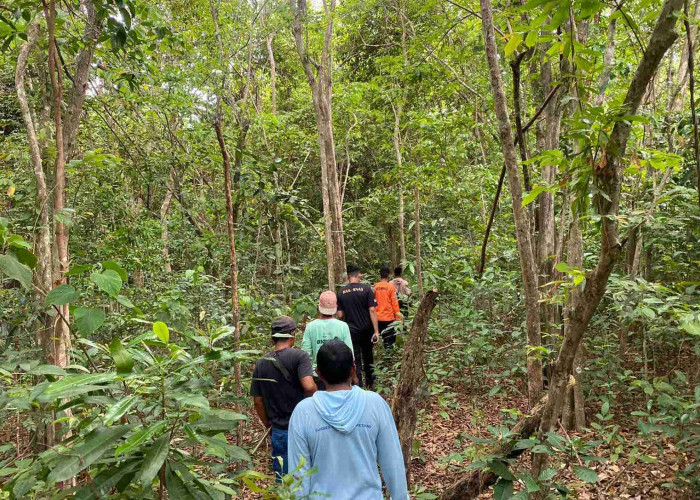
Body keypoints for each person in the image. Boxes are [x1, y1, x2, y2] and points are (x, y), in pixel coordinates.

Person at [288, 340, 408, 500]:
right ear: (353, 369)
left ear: (318, 373)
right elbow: (393, 462)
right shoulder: (375, 404)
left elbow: (299, 476)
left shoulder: (303, 412)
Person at [250, 316, 317, 482]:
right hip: (303, 426)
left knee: (283, 479)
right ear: (292, 335)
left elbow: (257, 401)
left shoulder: (261, 362)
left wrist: (268, 423)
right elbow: (309, 386)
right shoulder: (300, 356)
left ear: (273, 338)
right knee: (307, 474)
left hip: (279, 429)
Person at [301, 290, 355, 389]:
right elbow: (350, 354)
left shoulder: (311, 326)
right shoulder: (343, 326)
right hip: (340, 376)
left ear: (319, 307)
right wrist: (354, 377)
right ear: (336, 307)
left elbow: (306, 354)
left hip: (319, 375)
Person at [337, 264, 379, 388]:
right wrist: (376, 331)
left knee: (356, 359)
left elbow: (340, 315)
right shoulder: (367, 289)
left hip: (351, 331)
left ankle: (358, 385)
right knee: (368, 357)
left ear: (348, 276)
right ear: (358, 274)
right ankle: (371, 384)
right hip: (366, 330)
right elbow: (372, 310)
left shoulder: (341, 292)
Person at [374, 266, 401, 348]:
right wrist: (398, 318)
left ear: (380, 276)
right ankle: (389, 357)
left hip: (378, 318)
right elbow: (395, 304)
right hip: (389, 318)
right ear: (388, 276)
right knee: (390, 341)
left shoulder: (375, 287)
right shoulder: (391, 287)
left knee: (382, 338)